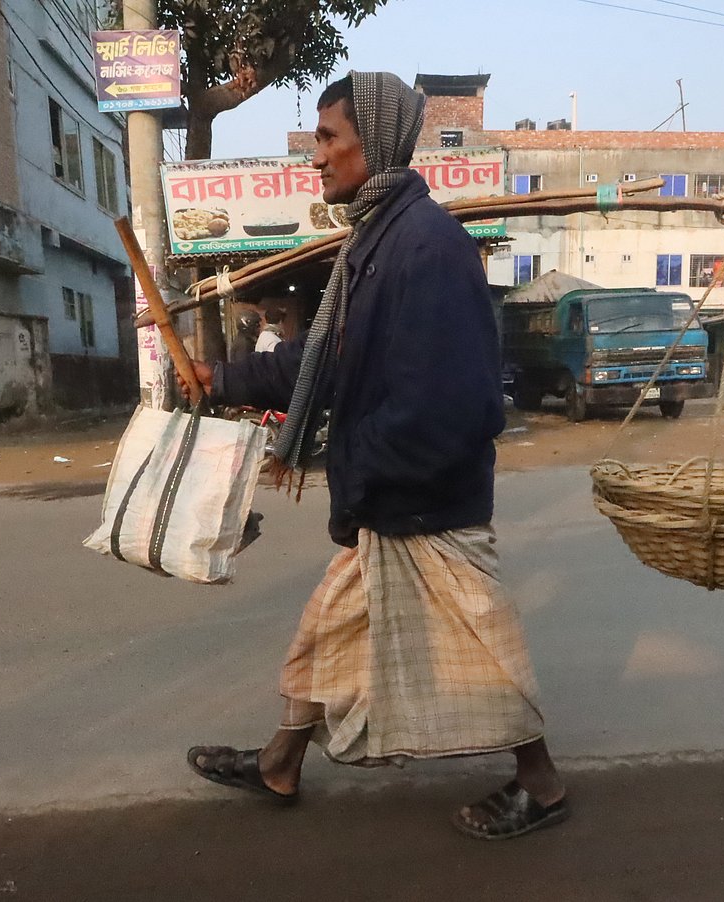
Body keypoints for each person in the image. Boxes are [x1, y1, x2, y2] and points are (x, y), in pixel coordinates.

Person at [178, 71, 567, 841]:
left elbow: (457, 405)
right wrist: (218, 379)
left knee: (483, 648)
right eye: (318, 140)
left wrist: (363, 470)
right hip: (388, 500)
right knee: (328, 633)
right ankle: (281, 764)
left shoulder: (426, 249)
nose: (316, 158)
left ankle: (544, 785)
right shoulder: (377, 240)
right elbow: (318, 363)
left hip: (425, 504)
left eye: (329, 140)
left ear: (375, 144)